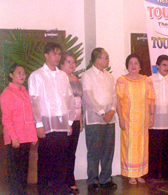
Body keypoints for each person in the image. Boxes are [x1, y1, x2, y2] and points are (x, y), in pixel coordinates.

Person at [28, 42, 76, 195]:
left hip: (61, 124)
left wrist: (69, 122)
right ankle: (44, 190)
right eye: (54, 53)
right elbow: (34, 101)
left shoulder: (63, 75)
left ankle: (59, 189)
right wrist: (39, 124)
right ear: (46, 55)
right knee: (45, 159)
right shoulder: (36, 75)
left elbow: (69, 99)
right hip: (46, 124)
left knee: (62, 159)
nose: (57, 57)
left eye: (59, 54)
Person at [81, 48, 117, 191]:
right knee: (94, 151)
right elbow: (88, 97)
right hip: (95, 119)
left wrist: (112, 110)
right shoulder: (87, 75)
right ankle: (92, 180)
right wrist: (103, 113)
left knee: (108, 150)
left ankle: (106, 179)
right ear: (97, 59)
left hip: (110, 118)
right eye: (106, 57)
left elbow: (114, 95)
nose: (108, 60)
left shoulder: (109, 76)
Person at [116, 54, 155, 184]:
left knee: (142, 146)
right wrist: (120, 118)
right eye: (131, 63)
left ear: (140, 66)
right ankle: (130, 174)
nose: (133, 66)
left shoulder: (147, 80)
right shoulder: (122, 80)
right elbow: (117, 101)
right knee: (129, 147)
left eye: (136, 63)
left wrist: (152, 116)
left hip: (143, 120)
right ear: (127, 65)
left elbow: (151, 100)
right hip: (128, 120)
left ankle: (140, 173)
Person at [1, 64, 38, 195]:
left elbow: (30, 115)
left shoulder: (24, 91)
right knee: (15, 171)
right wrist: (13, 137)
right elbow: (6, 118)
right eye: (18, 73)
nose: (22, 75)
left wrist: (33, 136)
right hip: (15, 138)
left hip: (26, 137)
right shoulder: (7, 93)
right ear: (11, 75)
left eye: (23, 73)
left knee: (23, 169)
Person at [59, 51, 83, 194]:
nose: (72, 65)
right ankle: (61, 182)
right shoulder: (59, 78)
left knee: (71, 152)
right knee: (62, 152)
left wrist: (80, 120)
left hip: (75, 119)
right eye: (68, 62)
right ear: (61, 64)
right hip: (62, 121)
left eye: (73, 62)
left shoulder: (76, 78)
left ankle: (70, 180)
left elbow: (79, 101)